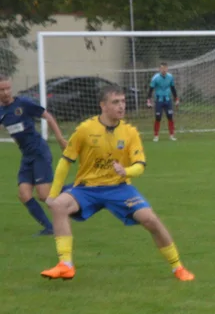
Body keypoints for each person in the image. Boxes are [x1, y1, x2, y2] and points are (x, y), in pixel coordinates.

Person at [40, 85, 194, 281]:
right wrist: (52, 195)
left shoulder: (130, 132)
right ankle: (65, 265)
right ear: (103, 105)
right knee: (59, 205)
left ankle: (178, 267)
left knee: (151, 220)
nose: (121, 106)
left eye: (123, 101)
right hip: (87, 188)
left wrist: (126, 170)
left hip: (119, 188)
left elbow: (140, 165)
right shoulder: (85, 129)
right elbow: (65, 161)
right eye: (115, 102)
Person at [0, 73, 68, 235]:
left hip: (39, 152)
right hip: (27, 156)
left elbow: (48, 117)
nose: (5, 92)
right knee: (24, 194)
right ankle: (50, 227)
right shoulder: (1, 111)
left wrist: (59, 138)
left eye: (7, 88)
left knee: (44, 195)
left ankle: (75, 194)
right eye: (1, 89)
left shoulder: (23, 103)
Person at [147, 62, 179, 142]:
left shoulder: (170, 77)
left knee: (170, 117)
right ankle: (156, 136)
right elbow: (151, 89)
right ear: (160, 69)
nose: (164, 70)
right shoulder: (155, 78)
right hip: (159, 101)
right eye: (162, 68)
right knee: (158, 118)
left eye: (165, 68)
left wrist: (176, 99)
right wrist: (149, 100)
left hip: (168, 100)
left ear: (167, 69)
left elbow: (173, 88)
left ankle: (171, 135)